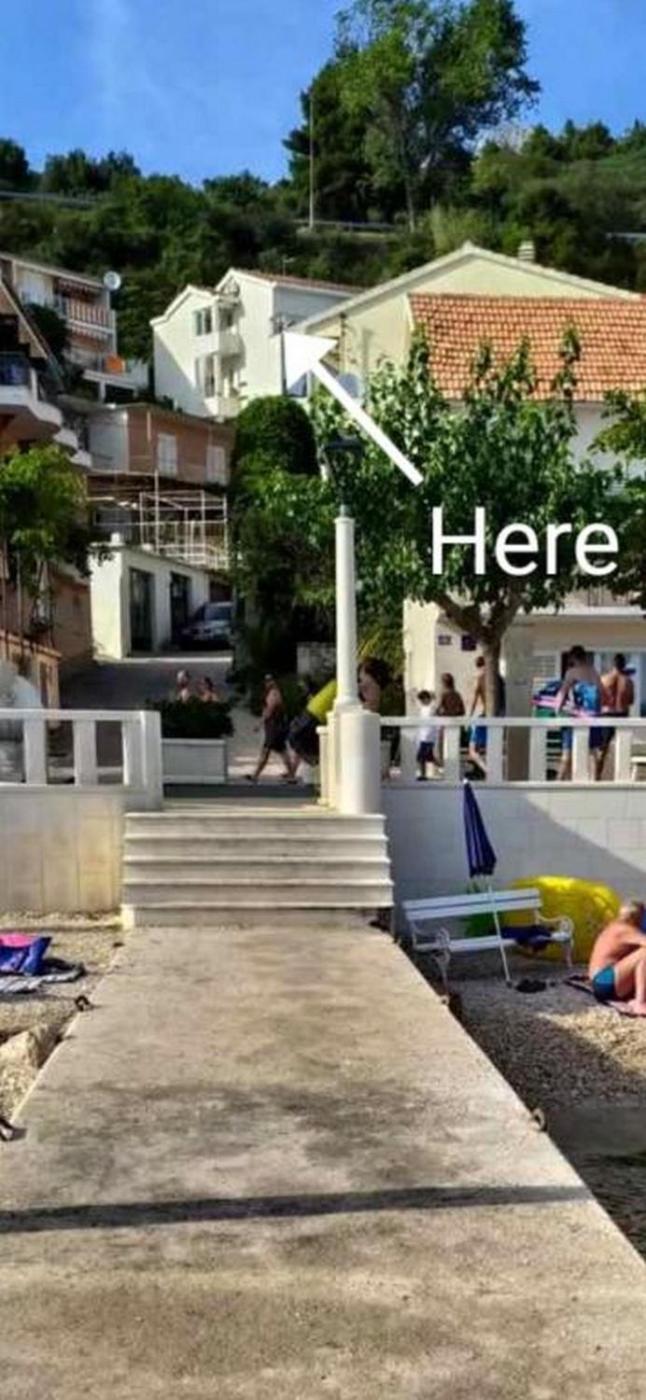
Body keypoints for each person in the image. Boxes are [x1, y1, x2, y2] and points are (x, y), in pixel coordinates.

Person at [555, 645, 603, 781]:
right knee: (593, 752)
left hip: (576, 717)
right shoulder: (594, 672)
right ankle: (594, 781)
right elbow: (601, 694)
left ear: (573, 658)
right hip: (593, 717)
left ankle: (558, 781)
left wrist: (556, 711)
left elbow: (562, 693)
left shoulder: (572, 672)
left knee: (567, 753)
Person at [589, 901, 646, 1011]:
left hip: (601, 982)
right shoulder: (625, 930)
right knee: (644, 953)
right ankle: (640, 1003)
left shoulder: (615, 926)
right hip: (604, 983)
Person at [246, 674, 295, 783]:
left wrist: (259, 724)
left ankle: (255, 776)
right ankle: (291, 775)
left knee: (266, 751)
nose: (268, 683)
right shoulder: (274, 692)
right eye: (267, 681)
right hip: (276, 726)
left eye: (270, 681)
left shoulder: (273, 693)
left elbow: (269, 710)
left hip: (274, 727)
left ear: (274, 681)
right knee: (282, 751)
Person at [288, 678, 337, 778]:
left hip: (310, 713)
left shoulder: (333, 684)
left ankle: (296, 772)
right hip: (315, 717)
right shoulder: (340, 686)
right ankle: (316, 771)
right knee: (314, 751)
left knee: (300, 743)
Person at [599, 654, 635, 776]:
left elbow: (600, 700)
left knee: (603, 748)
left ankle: (597, 776)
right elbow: (631, 701)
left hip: (607, 714)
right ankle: (622, 776)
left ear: (612, 665)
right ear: (624, 665)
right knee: (623, 746)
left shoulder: (604, 679)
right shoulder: (629, 682)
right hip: (622, 714)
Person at [467, 656, 488, 778]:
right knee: (483, 747)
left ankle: (488, 771)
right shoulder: (498, 677)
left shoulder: (480, 677)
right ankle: (479, 771)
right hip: (497, 716)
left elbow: (474, 698)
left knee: (472, 750)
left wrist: (469, 717)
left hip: (482, 716)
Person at [416, 689, 437, 780]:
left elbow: (435, 704)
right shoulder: (422, 709)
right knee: (427, 757)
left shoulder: (431, 708)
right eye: (421, 700)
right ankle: (423, 774)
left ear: (427, 699)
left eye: (423, 699)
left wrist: (432, 697)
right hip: (423, 737)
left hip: (429, 737)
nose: (421, 701)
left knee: (423, 757)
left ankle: (423, 775)